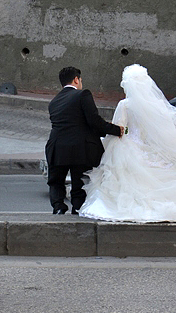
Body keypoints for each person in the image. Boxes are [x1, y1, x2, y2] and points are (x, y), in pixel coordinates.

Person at [80, 64, 176, 223]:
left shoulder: (125, 104)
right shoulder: (158, 105)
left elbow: (120, 128)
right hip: (153, 149)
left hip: (130, 146)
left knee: (126, 180)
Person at [45, 67, 124, 215]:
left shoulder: (54, 102)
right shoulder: (82, 94)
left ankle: (58, 206)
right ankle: (77, 208)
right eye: (80, 80)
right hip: (79, 147)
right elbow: (94, 121)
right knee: (79, 181)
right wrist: (116, 130)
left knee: (56, 181)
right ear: (76, 79)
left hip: (56, 147)